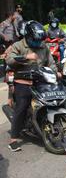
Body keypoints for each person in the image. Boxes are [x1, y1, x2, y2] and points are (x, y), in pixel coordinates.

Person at [5, 21, 58, 152]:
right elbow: (9, 60)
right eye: (35, 40)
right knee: (22, 106)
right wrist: (25, 57)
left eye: (40, 41)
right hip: (23, 81)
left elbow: (51, 63)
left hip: (41, 81)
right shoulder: (18, 45)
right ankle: (13, 140)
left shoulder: (43, 46)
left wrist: (56, 72)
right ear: (28, 36)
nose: (37, 43)